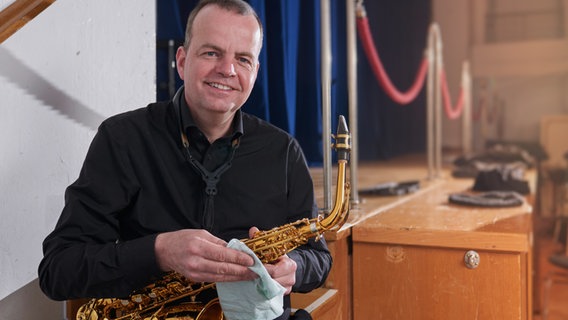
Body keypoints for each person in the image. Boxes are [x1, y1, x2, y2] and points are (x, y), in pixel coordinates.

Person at [38, 0, 332, 319]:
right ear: (181, 61)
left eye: (243, 59)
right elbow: (58, 270)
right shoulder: (122, 138)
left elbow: (318, 259)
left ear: (255, 71)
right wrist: (159, 252)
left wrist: (294, 268)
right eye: (211, 53)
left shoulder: (283, 151)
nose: (228, 70)